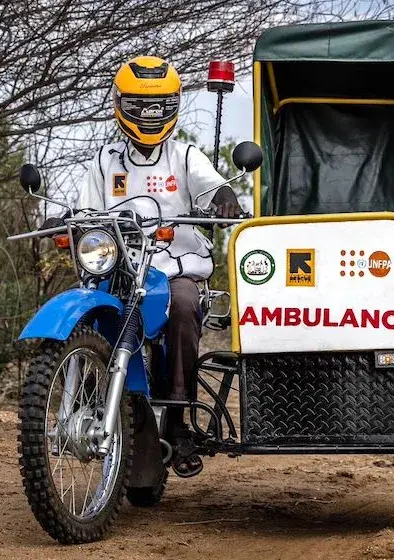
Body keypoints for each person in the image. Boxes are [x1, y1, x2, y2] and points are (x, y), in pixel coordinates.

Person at [71, 56, 243, 477]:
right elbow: (84, 208)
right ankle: (88, 395)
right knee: (88, 312)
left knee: (184, 307)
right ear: (121, 105)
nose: (149, 115)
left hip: (175, 267)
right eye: (140, 106)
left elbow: (211, 186)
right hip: (118, 269)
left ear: (173, 107)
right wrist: (68, 219)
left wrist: (224, 199)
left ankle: (179, 419)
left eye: (159, 106)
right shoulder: (105, 160)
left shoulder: (185, 155)